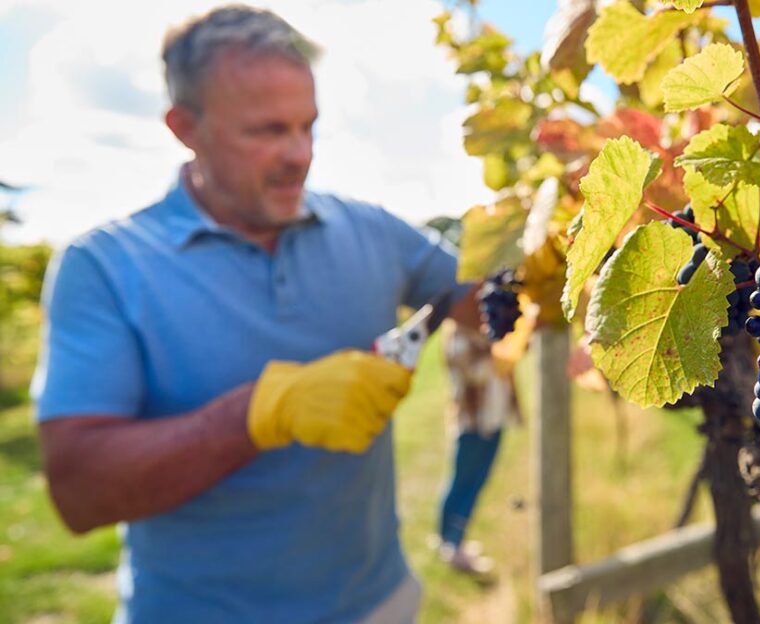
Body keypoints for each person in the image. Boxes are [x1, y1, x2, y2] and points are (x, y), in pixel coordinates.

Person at [31, 5, 478, 623]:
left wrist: (549, 263)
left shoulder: (368, 229)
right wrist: (259, 414)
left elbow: (474, 297)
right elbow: (78, 492)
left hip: (377, 602)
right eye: (266, 131)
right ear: (184, 126)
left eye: (308, 126)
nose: (300, 154)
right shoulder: (106, 267)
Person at [434, 321, 521, 575]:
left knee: (476, 482)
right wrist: (505, 354)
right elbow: (474, 370)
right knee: (462, 481)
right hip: (473, 422)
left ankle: (455, 538)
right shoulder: (457, 331)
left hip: (493, 419)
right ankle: (449, 542)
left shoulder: (485, 326)